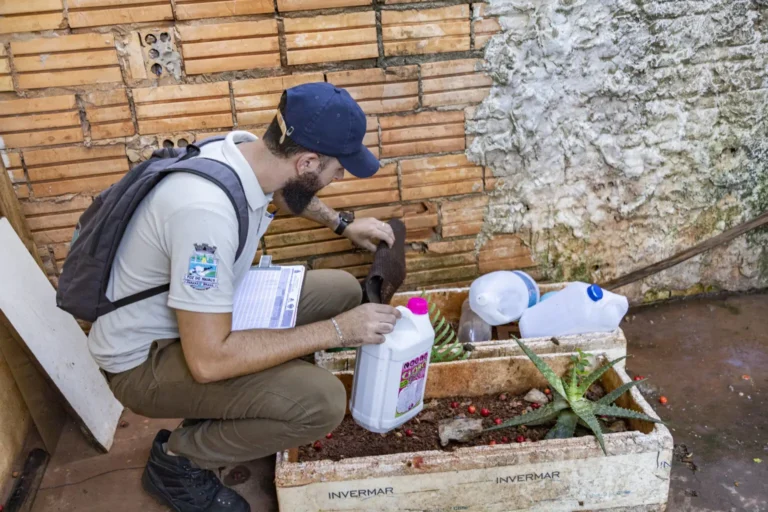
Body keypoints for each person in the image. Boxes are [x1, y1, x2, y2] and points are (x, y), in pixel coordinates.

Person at [89, 83, 401, 512]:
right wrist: (335, 331)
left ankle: (258, 398)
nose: (341, 177)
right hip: (146, 360)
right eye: (338, 168)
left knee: (343, 290)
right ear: (307, 161)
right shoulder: (205, 214)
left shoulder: (242, 150)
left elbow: (283, 193)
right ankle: (179, 460)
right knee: (321, 403)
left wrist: (341, 223)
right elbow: (209, 361)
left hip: (203, 315)